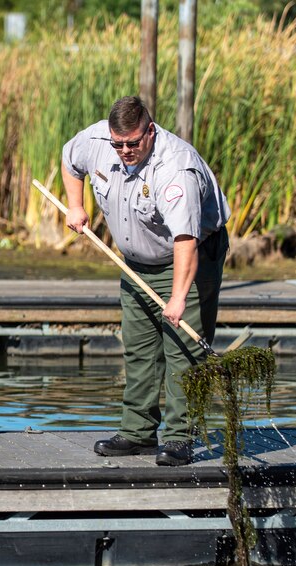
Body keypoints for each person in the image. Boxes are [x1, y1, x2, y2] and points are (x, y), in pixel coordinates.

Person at [61, 96, 229, 466]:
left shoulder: (175, 170)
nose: (125, 151)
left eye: (133, 143)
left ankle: (180, 437)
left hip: (189, 257)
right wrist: (76, 205)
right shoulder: (97, 142)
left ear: (149, 132)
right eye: (118, 143)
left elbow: (186, 241)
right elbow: (70, 160)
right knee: (139, 346)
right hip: (136, 260)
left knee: (182, 349)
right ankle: (138, 432)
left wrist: (179, 297)